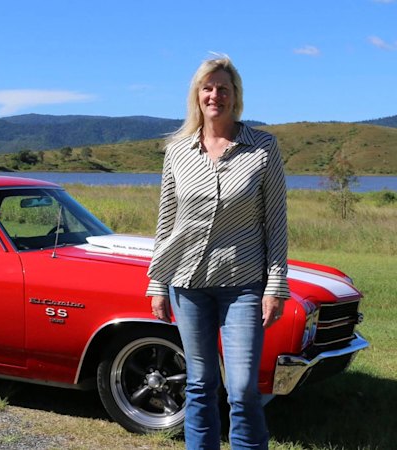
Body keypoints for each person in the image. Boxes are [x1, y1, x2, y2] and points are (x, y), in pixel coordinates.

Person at [146, 55, 289, 449]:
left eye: (223, 88)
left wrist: (276, 285)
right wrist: (157, 284)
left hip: (243, 284)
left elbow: (275, 221)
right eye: (207, 88)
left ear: (235, 96)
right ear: (197, 95)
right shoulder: (177, 151)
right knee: (200, 383)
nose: (215, 95)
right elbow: (166, 221)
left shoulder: (262, 147)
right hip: (187, 284)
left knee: (242, 388)